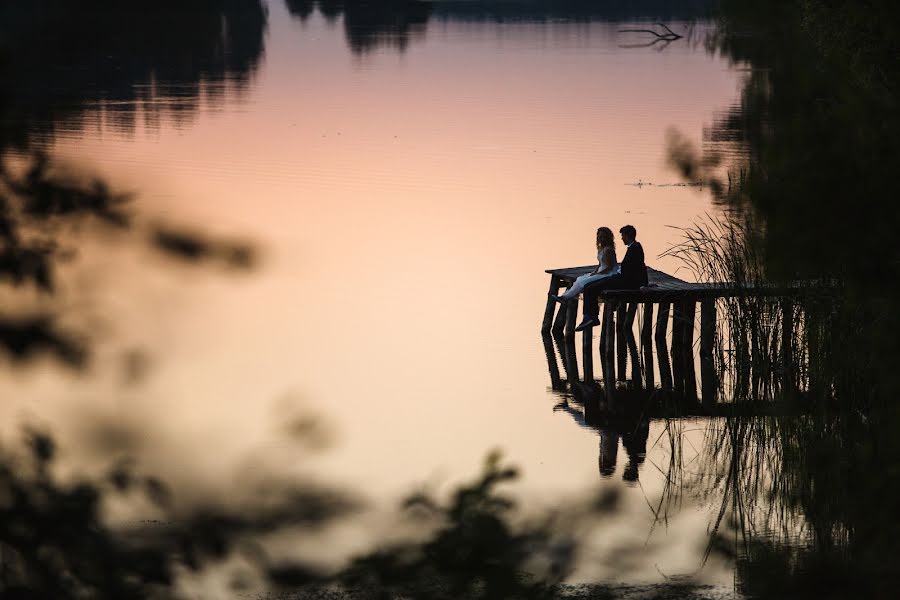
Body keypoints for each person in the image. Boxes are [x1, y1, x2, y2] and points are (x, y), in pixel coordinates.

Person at [574, 225, 648, 332]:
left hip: (626, 282)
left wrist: (643, 284)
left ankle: (591, 317)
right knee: (589, 286)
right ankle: (589, 316)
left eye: (623, 236)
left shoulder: (635, 248)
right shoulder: (635, 247)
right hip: (622, 278)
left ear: (628, 236)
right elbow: (640, 267)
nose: (622, 238)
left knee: (591, 288)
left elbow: (640, 267)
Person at [550, 227, 618, 304]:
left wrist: (599, 273)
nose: (601, 239)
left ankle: (566, 298)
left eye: (604, 237)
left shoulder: (608, 250)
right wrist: (594, 272)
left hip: (608, 273)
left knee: (583, 282)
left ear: (608, 238)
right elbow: (600, 264)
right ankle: (565, 297)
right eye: (600, 236)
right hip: (601, 271)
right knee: (579, 279)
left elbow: (610, 267)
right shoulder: (601, 248)